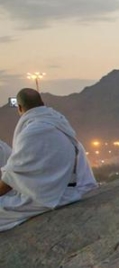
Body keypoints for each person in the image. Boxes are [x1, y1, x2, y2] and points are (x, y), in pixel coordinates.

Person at [0, 89, 97, 232]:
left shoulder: (33, 132)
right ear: (42, 103)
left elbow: (11, 178)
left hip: (52, 196)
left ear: (20, 108)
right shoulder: (58, 122)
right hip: (68, 189)